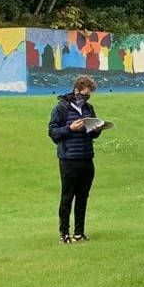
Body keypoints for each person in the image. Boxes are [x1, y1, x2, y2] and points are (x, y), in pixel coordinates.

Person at [47, 74, 106, 243]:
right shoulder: (61, 109)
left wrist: (96, 129)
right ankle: (64, 233)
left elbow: (93, 134)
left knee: (83, 197)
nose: (86, 97)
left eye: (89, 95)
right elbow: (53, 133)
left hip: (86, 158)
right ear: (76, 90)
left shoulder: (89, 108)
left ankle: (79, 232)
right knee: (67, 197)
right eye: (84, 94)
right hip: (69, 159)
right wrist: (70, 128)